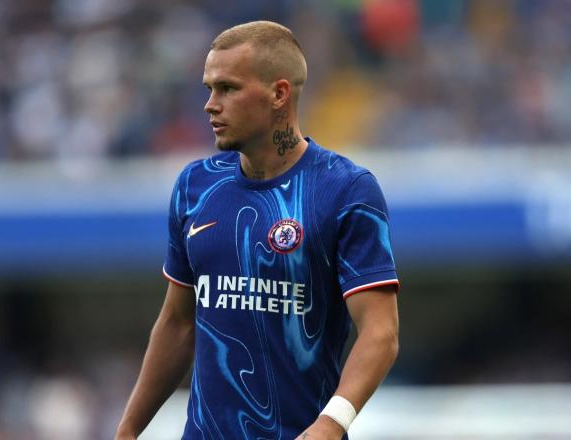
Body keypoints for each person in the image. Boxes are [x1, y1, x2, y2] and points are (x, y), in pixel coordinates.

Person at [115, 21, 399, 440]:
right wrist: (127, 431)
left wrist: (331, 423)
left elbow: (381, 332)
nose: (210, 105)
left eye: (227, 89)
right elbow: (177, 324)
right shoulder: (196, 186)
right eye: (209, 88)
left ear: (279, 93)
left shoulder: (345, 189)